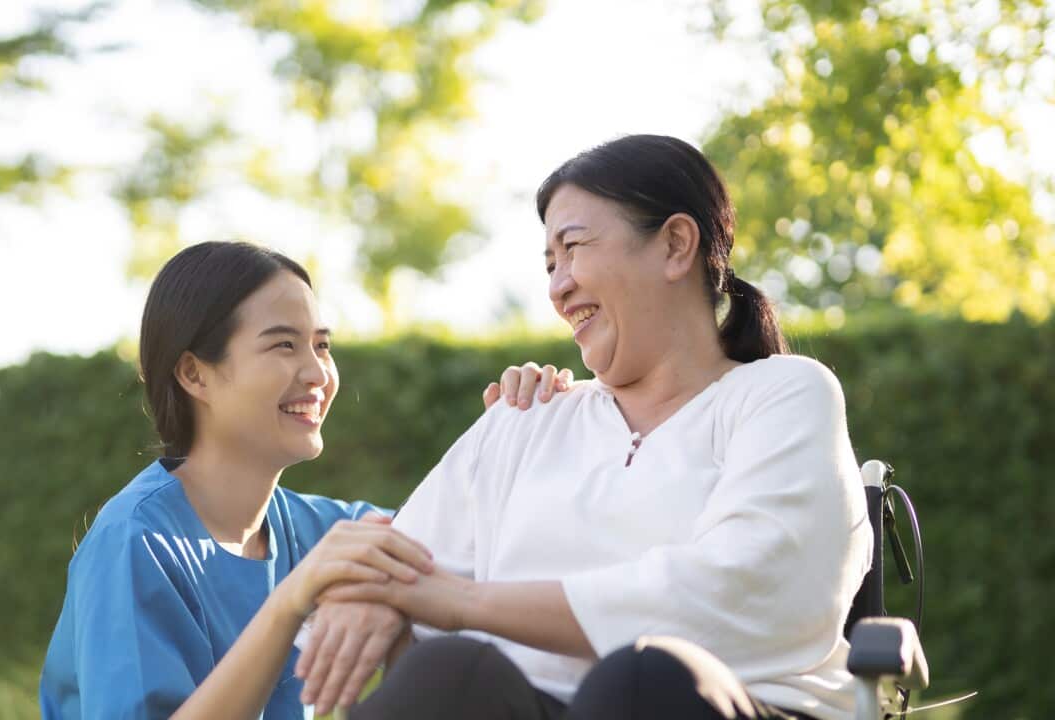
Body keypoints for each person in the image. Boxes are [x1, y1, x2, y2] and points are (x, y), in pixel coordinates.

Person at [299, 135, 873, 720]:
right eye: (550, 264)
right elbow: (405, 570)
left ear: (676, 244)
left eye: (573, 249)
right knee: (451, 673)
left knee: (642, 680)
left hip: (717, 704)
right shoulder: (525, 419)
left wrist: (462, 602)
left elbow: (745, 592)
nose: (558, 285)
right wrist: (371, 595)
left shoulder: (783, 394)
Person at [38, 241, 567, 719]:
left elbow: (478, 549)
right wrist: (293, 602)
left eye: (321, 345)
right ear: (195, 373)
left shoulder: (329, 528)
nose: (317, 373)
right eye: (283, 345)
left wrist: (528, 422)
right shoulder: (134, 542)